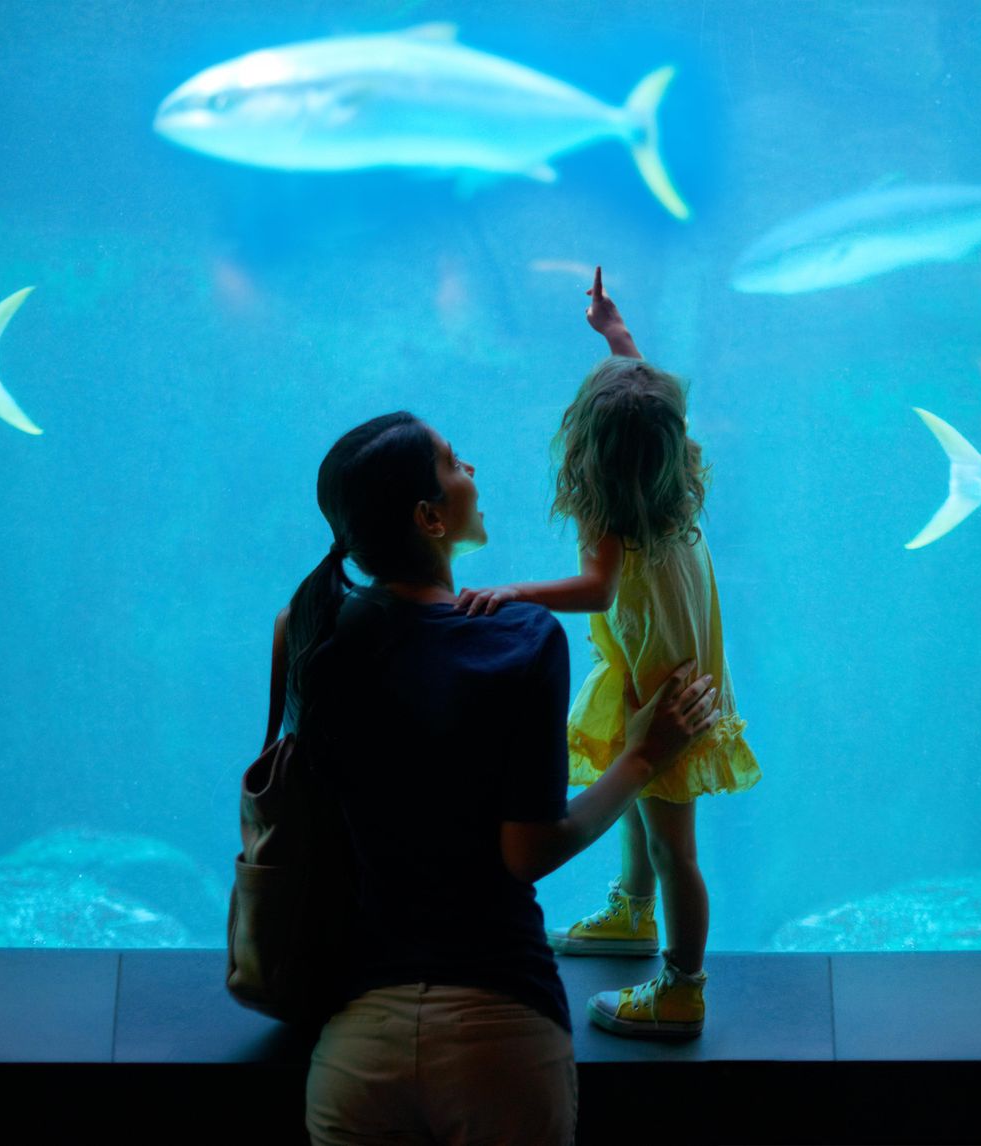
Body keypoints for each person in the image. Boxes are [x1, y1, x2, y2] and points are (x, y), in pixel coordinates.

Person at [283, 411, 720, 1144]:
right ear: (428, 517)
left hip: (354, 1043)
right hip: (500, 1033)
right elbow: (529, 852)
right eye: (455, 464)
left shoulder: (308, 629)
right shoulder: (518, 642)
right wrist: (643, 755)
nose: (472, 472)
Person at [456, 267, 761, 1039]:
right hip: (671, 668)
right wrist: (615, 333)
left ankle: (684, 988)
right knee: (637, 803)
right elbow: (647, 399)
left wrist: (516, 591)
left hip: (670, 694)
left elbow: (595, 592)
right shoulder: (676, 474)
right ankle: (632, 911)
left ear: (588, 449)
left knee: (674, 846)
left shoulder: (611, 513)